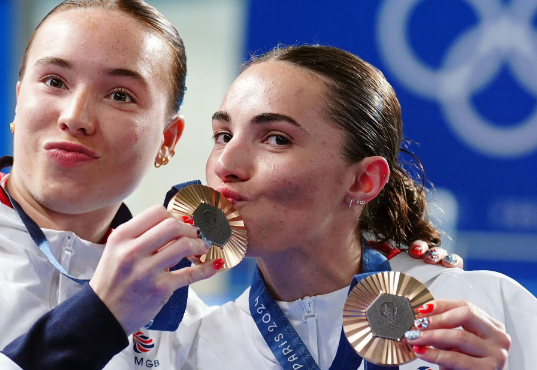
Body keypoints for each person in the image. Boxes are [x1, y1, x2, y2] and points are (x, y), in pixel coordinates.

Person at [0, 0, 460, 370]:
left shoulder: (186, 322)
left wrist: (385, 282)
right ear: (18, 102)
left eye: (120, 94)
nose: (76, 116)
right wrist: (98, 318)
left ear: (170, 139)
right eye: (54, 81)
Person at [180, 45, 536, 370]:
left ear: (363, 180)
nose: (225, 162)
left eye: (277, 139)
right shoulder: (201, 348)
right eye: (223, 135)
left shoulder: (484, 308)